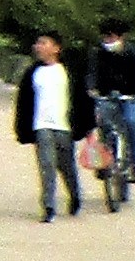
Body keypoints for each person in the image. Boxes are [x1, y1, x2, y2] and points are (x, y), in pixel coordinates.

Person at [13, 32, 89, 222]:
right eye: (37, 43)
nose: (38, 47)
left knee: (66, 166)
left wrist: (86, 126)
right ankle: (48, 206)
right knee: (47, 164)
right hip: (42, 125)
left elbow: (81, 100)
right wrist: (22, 129)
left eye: (43, 43)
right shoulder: (33, 73)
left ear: (56, 48)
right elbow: (23, 103)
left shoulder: (68, 72)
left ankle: (75, 195)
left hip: (64, 126)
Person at [92, 19, 135, 213]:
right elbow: (91, 74)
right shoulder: (98, 54)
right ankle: (101, 163)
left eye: (111, 36)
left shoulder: (133, 53)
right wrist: (91, 89)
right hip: (106, 97)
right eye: (105, 36)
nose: (108, 40)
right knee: (102, 126)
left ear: (121, 37)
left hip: (129, 97)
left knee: (131, 123)